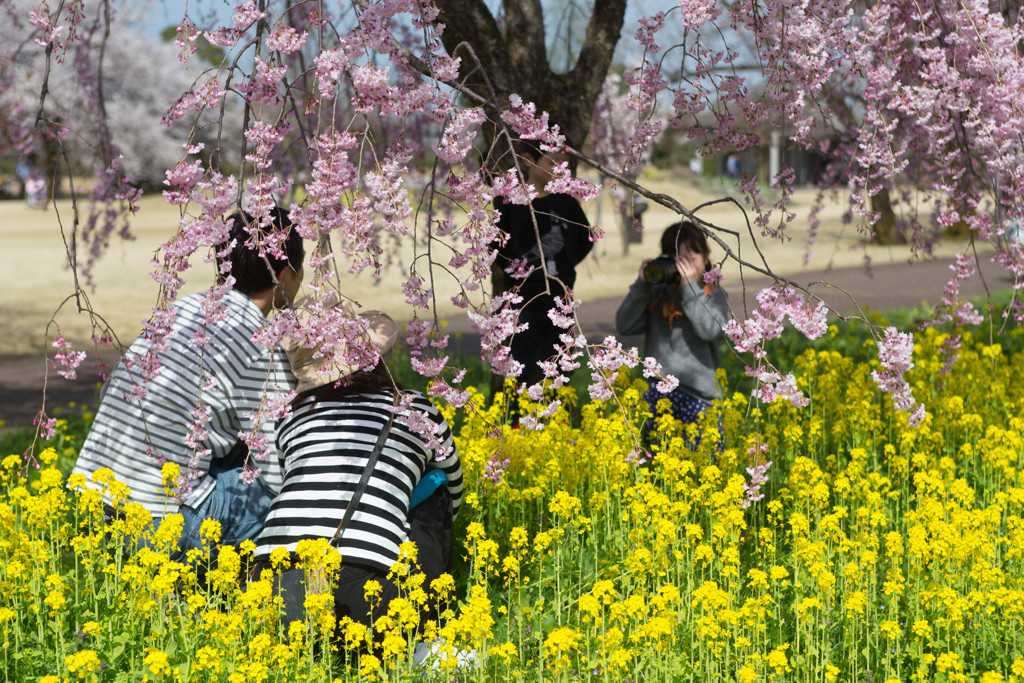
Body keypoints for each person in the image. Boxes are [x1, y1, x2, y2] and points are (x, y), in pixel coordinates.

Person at [71, 207, 304, 556]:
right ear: (284, 275)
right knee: (288, 493)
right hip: (157, 524)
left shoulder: (185, 307)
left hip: (91, 506)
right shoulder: (261, 343)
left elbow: (117, 390)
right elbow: (275, 468)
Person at [252, 293, 463, 637]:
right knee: (434, 488)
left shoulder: (289, 416)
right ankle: (431, 621)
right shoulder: (417, 410)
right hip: (366, 591)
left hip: (271, 583)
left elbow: (278, 487)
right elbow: (453, 491)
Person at [492, 137, 595, 389]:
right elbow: (494, 246)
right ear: (528, 160)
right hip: (522, 298)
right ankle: (515, 421)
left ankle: (558, 419)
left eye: (565, 164)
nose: (560, 169)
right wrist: (516, 270)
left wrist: (565, 264)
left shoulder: (568, 204)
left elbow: (585, 239)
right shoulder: (509, 204)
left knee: (560, 366)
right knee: (519, 364)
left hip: (559, 295)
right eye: (553, 162)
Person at [615, 221, 729, 440]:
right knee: (659, 461)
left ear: (706, 257)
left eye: (691, 259)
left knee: (704, 460)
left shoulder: (712, 292)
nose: (683, 267)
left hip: (699, 394)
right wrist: (642, 285)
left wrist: (689, 288)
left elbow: (710, 330)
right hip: (657, 389)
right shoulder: (658, 292)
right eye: (677, 260)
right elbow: (625, 325)